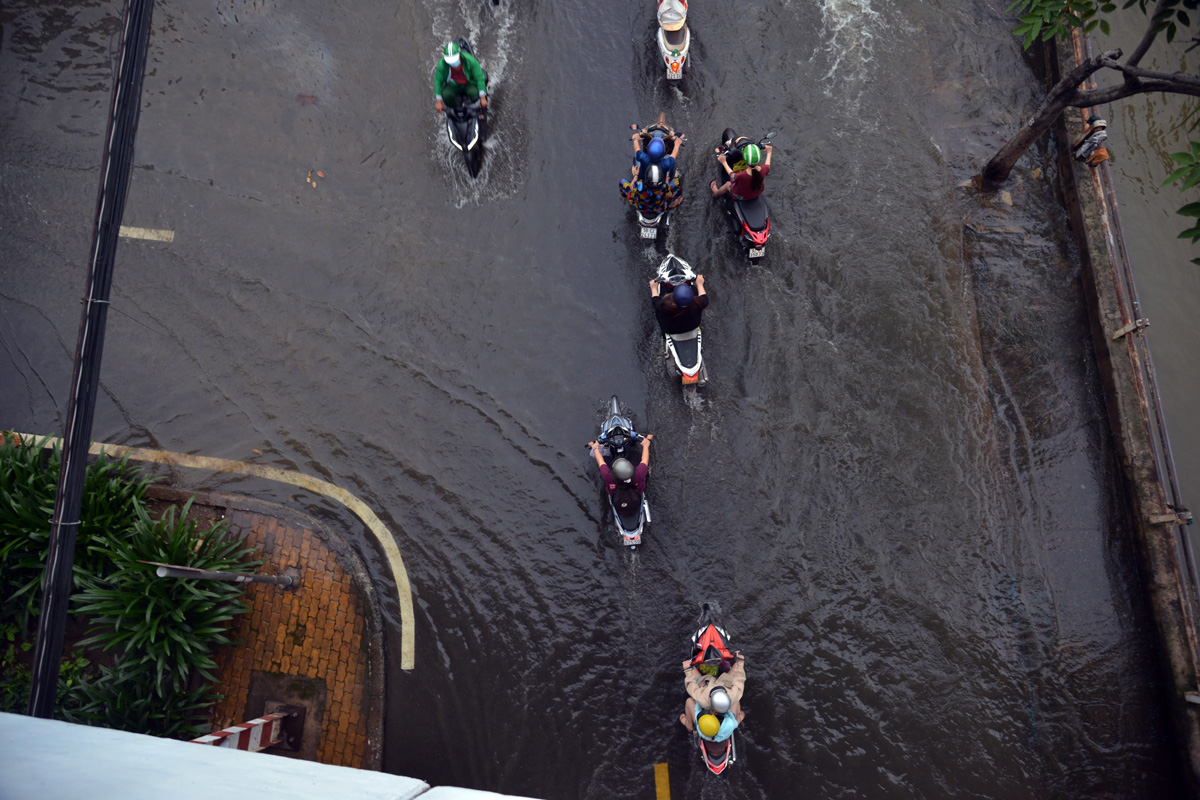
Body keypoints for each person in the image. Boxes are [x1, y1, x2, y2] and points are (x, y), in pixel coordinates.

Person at [678, 653, 747, 738]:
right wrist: (740, 662)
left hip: (706, 685)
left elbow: (691, 687)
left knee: (692, 671)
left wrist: (688, 670)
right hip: (724, 683)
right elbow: (739, 680)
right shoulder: (733, 696)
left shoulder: (703, 699)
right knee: (736, 699)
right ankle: (737, 717)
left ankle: (689, 725)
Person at [587, 433, 653, 516]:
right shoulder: (639, 474)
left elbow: (601, 462)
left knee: (606, 458)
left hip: (616, 493)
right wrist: (646, 445)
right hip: (636, 489)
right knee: (635, 454)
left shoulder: (608, 476)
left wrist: (595, 447)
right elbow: (644, 460)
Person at [433, 41, 488, 115]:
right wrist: (439, 102)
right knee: (446, 95)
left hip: (469, 83)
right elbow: (438, 82)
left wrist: (483, 98)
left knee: (474, 93)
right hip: (453, 84)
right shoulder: (442, 65)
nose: (453, 64)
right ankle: (453, 112)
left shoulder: (470, 61)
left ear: (459, 55)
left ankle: (478, 113)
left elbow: (479, 78)